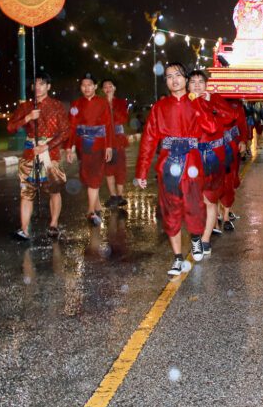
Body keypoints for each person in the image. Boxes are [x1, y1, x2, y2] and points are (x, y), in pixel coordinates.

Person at [135, 63, 219, 276]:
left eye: (178, 75)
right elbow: (148, 140)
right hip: (167, 165)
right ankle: (177, 258)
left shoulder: (197, 102)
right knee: (170, 210)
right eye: (169, 76)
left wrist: (198, 103)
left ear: (185, 79)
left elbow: (211, 127)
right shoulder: (159, 107)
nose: (174, 80)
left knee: (195, 207)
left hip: (192, 164)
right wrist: (142, 171)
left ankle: (196, 237)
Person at [6, 74, 70, 240]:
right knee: (26, 192)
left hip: (50, 154)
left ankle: (53, 224)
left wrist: (46, 146)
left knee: (54, 190)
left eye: (42, 84)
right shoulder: (26, 106)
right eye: (35, 84)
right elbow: (10, 127)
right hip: (30, 153)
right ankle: (24, 229)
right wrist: (27, 117)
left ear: (48, 86)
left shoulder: (57, 106)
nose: (38, 87)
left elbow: (65, 132)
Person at [186, 70, 237, 258]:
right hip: (192, 156)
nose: (197, 85)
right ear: (187, 85)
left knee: (210, 198)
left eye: (201, 81)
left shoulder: (214, 99)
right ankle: (197, 234)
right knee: (193, 200)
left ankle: (205, 239)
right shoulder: (185, 102)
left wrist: (212, 104)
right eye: (193, 81)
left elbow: (230, 116)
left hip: (214, 156)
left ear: (206, 84)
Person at [65, 73, 115, 226]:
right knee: (86, 176)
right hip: (82, 145)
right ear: (81, 87)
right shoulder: (76, 104)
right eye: (83, 85)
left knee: (94, 175)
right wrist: (68, 147)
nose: (86, 88)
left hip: (98, 144)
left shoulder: (102, 103)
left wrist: (109, 146)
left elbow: (108, 125)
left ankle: (91, 211)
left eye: (89, 85)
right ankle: (97, 206)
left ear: (95, 86)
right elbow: (72, 126)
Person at [219, 97, 249, 231]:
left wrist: (243, 141)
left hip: (230, 147)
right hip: (209, 148)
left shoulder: (236, 104)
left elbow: (242, 125)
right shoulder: (206, 99)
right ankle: (215, 215)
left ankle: (225, 215)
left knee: (229, 180)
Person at [102, 78, 130, 208]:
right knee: (108, 168)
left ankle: (120, 195)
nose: (108, 89)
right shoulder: (100, 103)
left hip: (118, 139)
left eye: (110, 86)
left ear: (114, 88)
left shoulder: (121, 102)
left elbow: (122, 118)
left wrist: (111, 105)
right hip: (105, 139)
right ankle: (113, 196)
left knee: (120, 167)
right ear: (103, 90)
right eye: (105, 87)